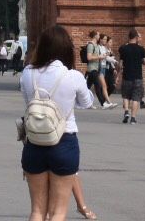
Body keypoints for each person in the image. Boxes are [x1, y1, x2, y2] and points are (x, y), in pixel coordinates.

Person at [20, 24, 94, 221]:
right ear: (65, 49)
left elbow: (28, 101)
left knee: (37, 210)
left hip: (34, 142)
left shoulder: (28, 73)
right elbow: (87, 103)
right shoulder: (73, 76)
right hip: (64, 142)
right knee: (58, 212)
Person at [117, 29, 145, 124]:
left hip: (127, 75)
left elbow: (120, 64)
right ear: (136, 37)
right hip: (138, 76)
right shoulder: (141, 49)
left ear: (129, 37)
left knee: (126, 95)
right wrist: (143, 59)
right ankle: (133, 118)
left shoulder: (123, 48)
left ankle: (126, 111)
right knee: (136, 98)